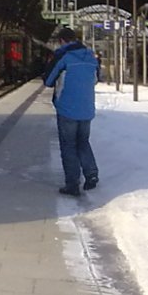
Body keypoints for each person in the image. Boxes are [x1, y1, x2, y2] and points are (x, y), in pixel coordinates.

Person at [43, 27, 99, 196]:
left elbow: (48, 81)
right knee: (83, 142)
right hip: (87, 108)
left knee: (68, 145)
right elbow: (96, 79)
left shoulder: (63, 56)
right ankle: (91, 174)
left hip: (67, 108)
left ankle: (72, 184)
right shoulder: (91, 56)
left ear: (62, 41)